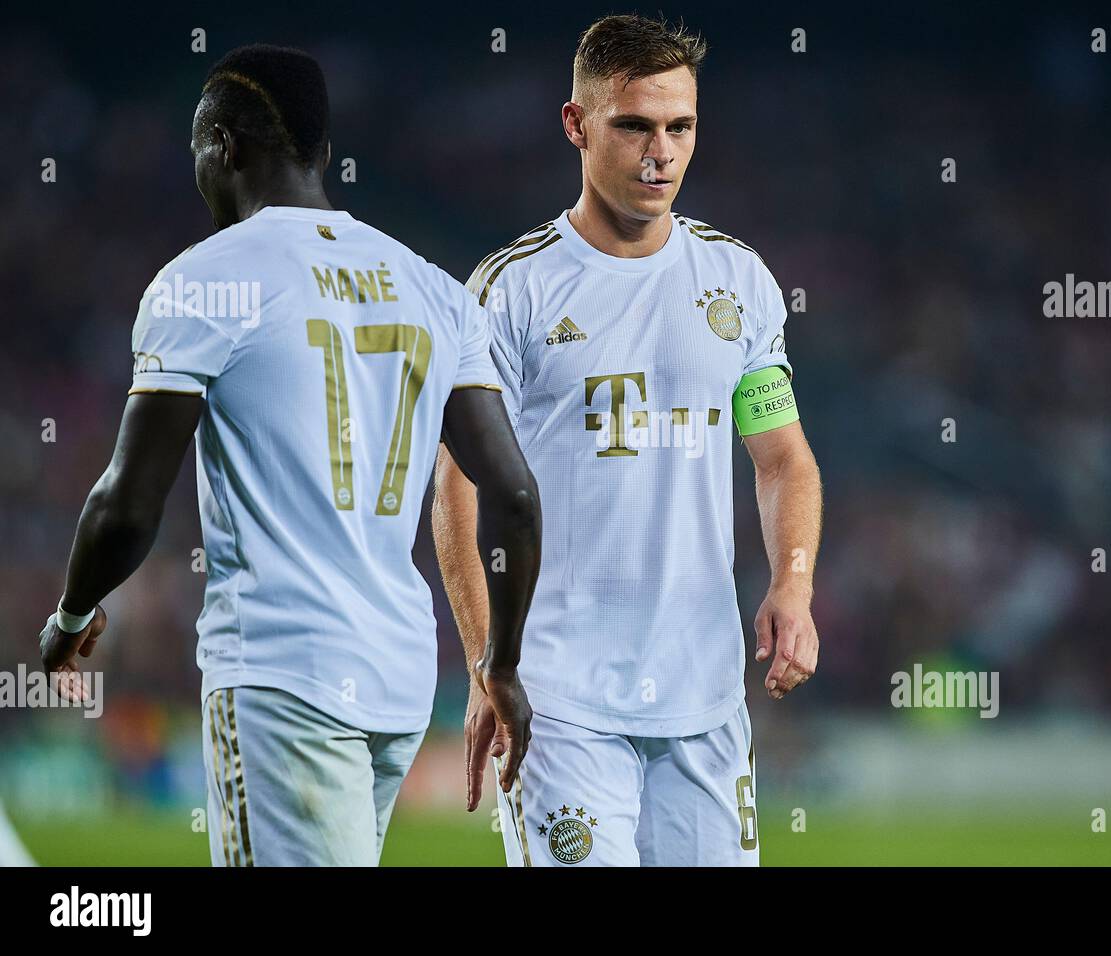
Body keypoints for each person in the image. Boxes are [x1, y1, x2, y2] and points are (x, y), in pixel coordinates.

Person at [38, 44, 541, 866]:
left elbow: (128, 502)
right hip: (397, 679)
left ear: (224, 147)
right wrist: (501, 664)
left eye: (199, 148)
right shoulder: (434, 289)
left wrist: (72, 612)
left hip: (282, 672)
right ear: (324, 156)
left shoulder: (203, 282)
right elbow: (515, 496)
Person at [434, 15, 823, 867]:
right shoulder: (512, 292)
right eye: (635, 126)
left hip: (706, 700)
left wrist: (792, 588)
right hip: (558, 699)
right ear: (576, 125)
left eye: (680, 127)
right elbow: (458, 488)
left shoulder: (738, 282)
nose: (662, 154)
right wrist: (481, 662)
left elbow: (783, 459)